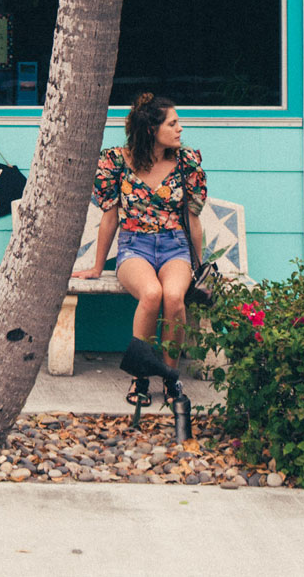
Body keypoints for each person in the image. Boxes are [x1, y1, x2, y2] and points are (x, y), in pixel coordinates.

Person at [73, 93, 207, 408]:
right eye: (172, 123)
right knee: (151, 294)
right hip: (135, 246)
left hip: (175, 245)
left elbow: (193, 218)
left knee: (174, 297)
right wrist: (96, 267)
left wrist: (198, 265)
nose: (180, 129)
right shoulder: (117, 161)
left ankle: (171, 377)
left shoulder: (185, 161)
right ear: (151, 129)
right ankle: (140, 376)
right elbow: (109, 218)